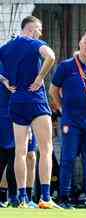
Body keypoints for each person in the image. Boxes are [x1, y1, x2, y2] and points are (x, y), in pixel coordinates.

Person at [0, 16, 57, 208]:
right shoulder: (34, 43)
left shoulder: (6, 47)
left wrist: (5, 81)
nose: (40, 33)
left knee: (20, 152)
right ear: (31, 28)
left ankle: (22, 197)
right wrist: (41, 77)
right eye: (39, 29)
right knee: (46, 148)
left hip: (16, 101)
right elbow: (51, 56)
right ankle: (46, 197)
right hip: (35, 99)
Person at [50, 30, 86, 210]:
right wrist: (61, 108)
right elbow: (53, 90)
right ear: (80, 43)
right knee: (68, 158)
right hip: (71, 121)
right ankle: (64, 198)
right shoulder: (66, 66)